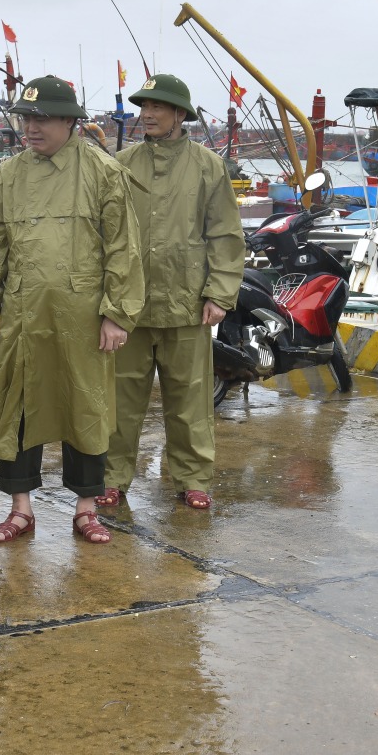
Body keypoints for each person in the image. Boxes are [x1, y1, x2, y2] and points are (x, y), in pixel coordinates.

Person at [0, 76, 144, 544]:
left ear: (70, 121)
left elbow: (123, 248)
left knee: (84, 405)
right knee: (18, 406)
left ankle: (86, 509)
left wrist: (117, 313)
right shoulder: (8, 175)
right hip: (23, 313)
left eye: (43, 118)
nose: (32, 127)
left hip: (82, 317)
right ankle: (20, 509)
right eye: (27, 117)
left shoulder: (102, 172)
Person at [99, 74, 246, 511]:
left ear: (180, 114)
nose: (147, 114)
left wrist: (219, 293)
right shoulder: (121, 163)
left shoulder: (208, 166)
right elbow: (105, 233)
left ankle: (192, 477)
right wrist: (108, 299)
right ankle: (112, 476)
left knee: (190, 399)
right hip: (130, 305)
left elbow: (225, 234)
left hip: (187, 303)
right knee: (120, 400)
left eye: (157, 107)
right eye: (144, 107)